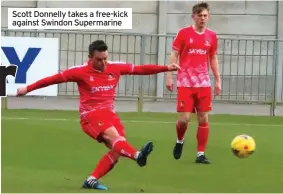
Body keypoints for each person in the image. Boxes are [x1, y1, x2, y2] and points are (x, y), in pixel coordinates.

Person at [17, 40, 180, 190]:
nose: (103, 63)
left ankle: (91, 180)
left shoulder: (114, 67)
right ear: (90, 58)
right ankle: (138, 156)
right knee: (117, 141)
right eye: (99, 59)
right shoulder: (80, 72)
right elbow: (52, 80)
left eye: (105, 59)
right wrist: (27, 89)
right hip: (90, 116)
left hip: (110, 114)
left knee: (118, 150)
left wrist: (166, 68)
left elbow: (140, 69)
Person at [165, 2, 221, 164]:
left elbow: (213, 58)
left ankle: (200, 154)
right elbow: (174, 55)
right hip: (185, 82)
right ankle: (180, 140)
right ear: (193, 16)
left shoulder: (211, 36)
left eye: (205, 16)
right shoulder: (183, 33)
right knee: (184, 119)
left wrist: (218, 79)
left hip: (203, 83)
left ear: (208, 17)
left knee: (203, 118)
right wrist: (169, 76)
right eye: (200, 16)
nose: (203, 19)